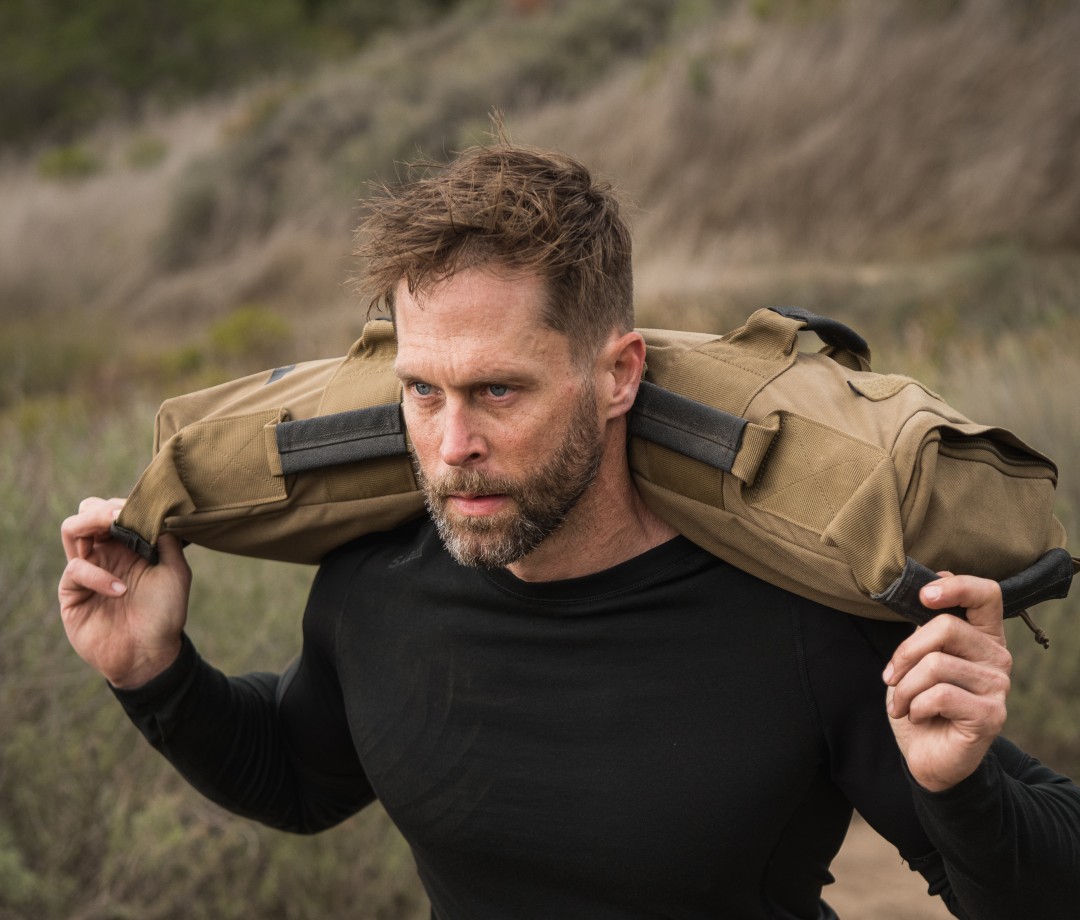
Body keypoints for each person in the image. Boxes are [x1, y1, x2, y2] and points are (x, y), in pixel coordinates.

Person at [59, 140, 1080, 919]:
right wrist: (153, 672)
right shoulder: (377, 583)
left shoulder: (793, 615)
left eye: (500, 389)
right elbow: (299, 777)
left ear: (618, 372)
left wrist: (964, 787)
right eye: (422, 391)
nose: (451, 443)